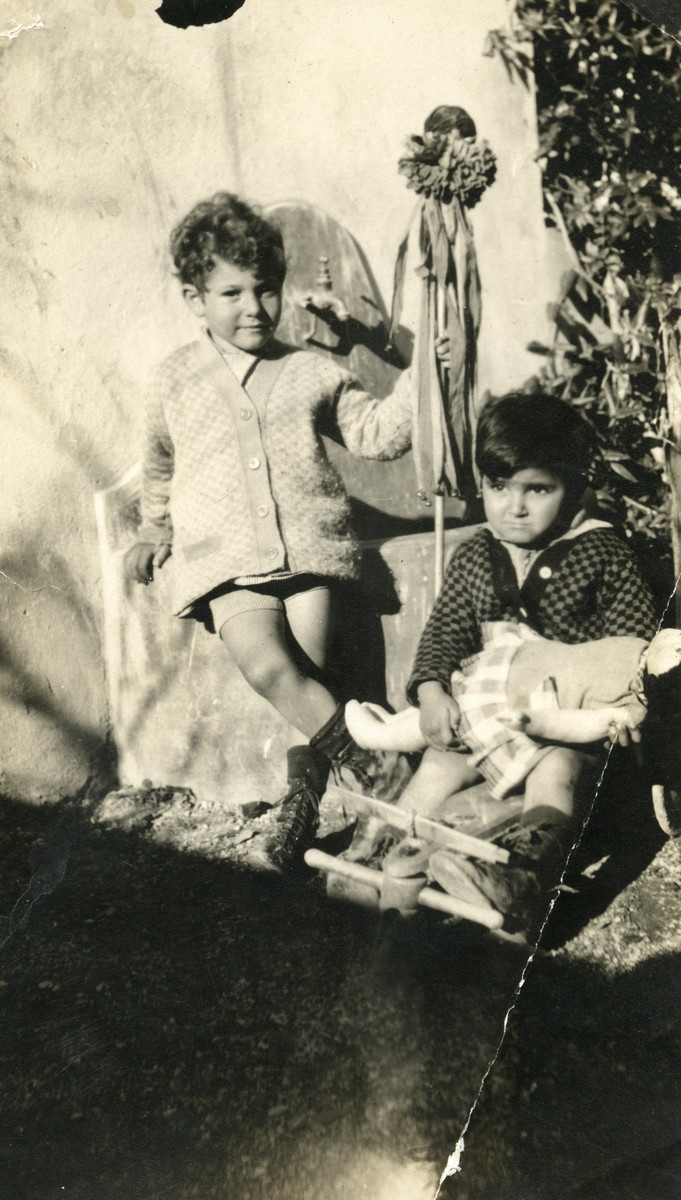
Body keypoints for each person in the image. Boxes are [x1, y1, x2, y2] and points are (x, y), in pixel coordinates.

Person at [125, 192, 418, 872]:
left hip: (308, 555)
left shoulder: (309, 370)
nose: (253, 308)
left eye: (266, 290)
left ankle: (299, 809)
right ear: (196, 299)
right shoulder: (173, 379)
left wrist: (418, 371)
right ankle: (380, 778)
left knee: (306, 684)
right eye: (231, 293)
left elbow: (379, 435)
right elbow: (160, 462)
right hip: (221, 563)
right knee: (268, 667)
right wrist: (151, 527)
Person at [352, 391, 659, 932]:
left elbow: (629, 651)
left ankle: (523, 872)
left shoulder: (602, 552)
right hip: (489, 715)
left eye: (537, 489)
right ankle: (384, 847)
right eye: (499, 488)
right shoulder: (476, 553)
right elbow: (446, 629)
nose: (514, 507)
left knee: (558, 772)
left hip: (565, 724)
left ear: (574, 487)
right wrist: (431, 692)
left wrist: (623, 712)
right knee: (439, 763)